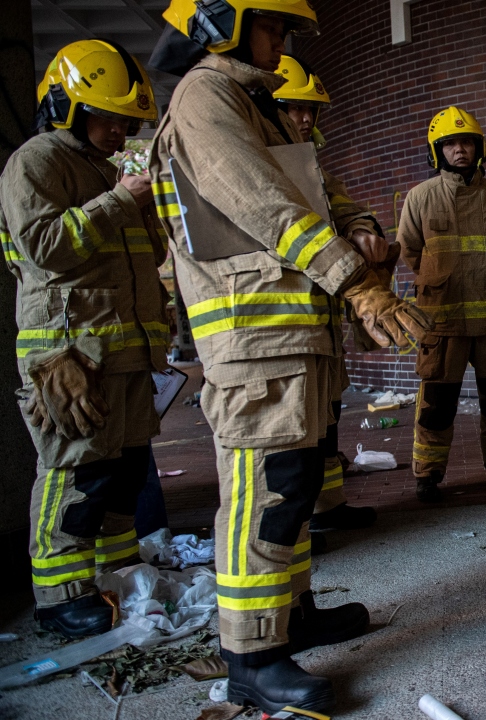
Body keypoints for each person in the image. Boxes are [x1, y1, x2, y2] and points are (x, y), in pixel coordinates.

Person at [150, 2, 432, 712]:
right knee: (263, 492)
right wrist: (358, 285)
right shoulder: (206, 95)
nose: (283, 42)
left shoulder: (259, 105)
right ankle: (252, 656)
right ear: (224, 22)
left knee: (298, 481)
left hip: (289, 333)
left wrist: (362, 234)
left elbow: (320, 198)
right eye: (273, 26)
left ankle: (290, 615)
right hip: (250, 337)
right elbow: (268, 207)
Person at [2, 39, 168, 639]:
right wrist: (119, 202)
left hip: (120, 352)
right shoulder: (36, 161)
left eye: (126, 118)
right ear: (66, 105)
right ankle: (59, 593)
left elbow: (143, 261)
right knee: (75, 473)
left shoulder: (105, 170)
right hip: (69, 355)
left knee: (121, 472)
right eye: (107, 115)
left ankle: (116, 571)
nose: (120, 128)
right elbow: (45, 249)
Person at [273, 54, 389, 535]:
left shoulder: (311, 168)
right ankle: (296, 532)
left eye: (310, 110)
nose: (304, 118)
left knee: (326, 418)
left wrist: (362, 229)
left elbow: (347, 207)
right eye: (293, 108)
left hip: (317, 319)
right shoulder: (259, 167)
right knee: (292, 435)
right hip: (275, 324)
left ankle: (328, 508)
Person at [399, 107, 486, 502]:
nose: (460, 150)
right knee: (436, 406)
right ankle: (428, 475)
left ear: (479, 148)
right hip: (444, 326)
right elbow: (410, 251)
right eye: (451, 144)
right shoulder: (420, 197)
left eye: (467, 142)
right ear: (437, 152)